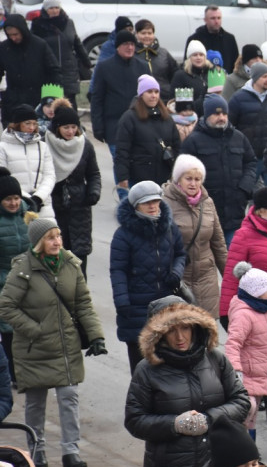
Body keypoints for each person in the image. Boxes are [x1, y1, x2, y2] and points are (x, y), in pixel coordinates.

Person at [124, 297, 250, 467]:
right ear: (159, 334)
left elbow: (241, 401)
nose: (179, 337)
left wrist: (210, 419)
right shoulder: (147, 370)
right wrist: (175, 424)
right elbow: (135, 419)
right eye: (171, 330)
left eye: (185, 327)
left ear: (195, 327)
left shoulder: (215, 360)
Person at [0, 216, 104, 467]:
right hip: (34, 347)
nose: (57, 241)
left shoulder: (70, 264)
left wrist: (96, 336)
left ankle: (71, 451)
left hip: (65, 344)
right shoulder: (23, 268)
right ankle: (37, 450)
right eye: (50, 237)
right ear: (38, 242)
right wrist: (33, 329)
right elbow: (6, 305)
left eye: (58, 236)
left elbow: (83, 304)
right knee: (36, 402)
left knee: (69, 397)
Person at [110, 181, 187, 374]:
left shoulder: (169, 228)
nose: (153, 206)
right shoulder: (123, 235)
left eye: (155, 201)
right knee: (141, 367)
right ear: (136, 205)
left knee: (168, 364)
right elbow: (118, 270)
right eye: (147, 203)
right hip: (136, 306)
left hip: (166, 304)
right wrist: (122, 301)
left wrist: (176, 273)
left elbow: (181, 254)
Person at [181, 94, 258, 244]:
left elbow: (251, 162)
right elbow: (183, 172)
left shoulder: (238, 137)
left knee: (232, 260)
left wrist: (244, 188)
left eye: (224, 113)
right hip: (204, 213)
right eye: (216, 114)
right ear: (207, 115)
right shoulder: (193, 141)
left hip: (234, 212)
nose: (221, 117)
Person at [160, 155, 226, 320]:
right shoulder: (165, 203)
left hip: (206, 277)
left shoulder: (207, 203)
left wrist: (229, 277)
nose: (193, 183)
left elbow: (218, 243)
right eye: (188, 178)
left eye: (198, 179)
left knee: (206, 329)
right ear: (178, 179)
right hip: (179, 277)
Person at [219, 187, 267, 325]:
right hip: (260, 304)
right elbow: (231, 278)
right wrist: (226, 313)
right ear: (260, 210)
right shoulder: (243, 235)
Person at [91, 27, 148, 200]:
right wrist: (98, 126)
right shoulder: (104, 67)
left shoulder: (143, 66)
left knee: (137, 162)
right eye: (125, 44)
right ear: (117, 46)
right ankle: (125, 199)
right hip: (113, 125)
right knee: (121, 162)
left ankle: (138, 198)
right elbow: (97, 98)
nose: (130, 47)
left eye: (132, 44)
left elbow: (150, 95)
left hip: (140, 124)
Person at [45, 101, 99, 277]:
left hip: (80, 207)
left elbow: (93, 173)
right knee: (56, 251)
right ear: (58, 127)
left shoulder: (84, 145)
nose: (70, 131)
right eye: (66, 127)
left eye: (73, 127)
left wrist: (93, 192)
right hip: (54, 204)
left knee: (79, 254)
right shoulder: (46, 144)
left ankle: (80, 296)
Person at [225, 262, 267, 439]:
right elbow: (233, 343)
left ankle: (250, 448)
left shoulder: (265, 311)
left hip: (260, 372)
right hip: (246, 373)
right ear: (255, 291)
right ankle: (240, 443)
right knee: (249, 407)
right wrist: (236, 370)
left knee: (252, 416)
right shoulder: (244, 315)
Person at [114, 74, 181, 191]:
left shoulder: (167, 118)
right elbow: (122, 150)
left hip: (164, 178)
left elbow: (177, 145)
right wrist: (122, 176)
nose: (154, 95)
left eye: (156, 92)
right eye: (149, 92)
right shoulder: (129, 118)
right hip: (139, 179)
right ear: (141, 94)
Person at [228, 61, 267, 185]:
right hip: (248, 157)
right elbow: (230, 126)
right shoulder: (238, 99)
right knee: (246, 191)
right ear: (255, 78)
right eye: (264, 76)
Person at [0, 14, 60, 125]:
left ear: (23, 30)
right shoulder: (4, 48)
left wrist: (50, 100)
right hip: (13, 101)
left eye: (16, 34)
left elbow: (54, 72)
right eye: (10, 35)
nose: (13, 38)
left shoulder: (40, 45)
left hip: (37, 100)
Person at [30, 0, 89, 109]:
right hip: (49, 71)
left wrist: (86, 62)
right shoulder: (39, 25)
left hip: (69, 70)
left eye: (57, 7)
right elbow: (34, 46)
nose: (54, 10)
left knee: (70, 104)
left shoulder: (68, 22)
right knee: (52, 104)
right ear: (45, 10)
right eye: (51, 8)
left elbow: (76, 42)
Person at [0, 168, 30, 383]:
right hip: (3, 280)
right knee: (9, 328)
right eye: (8, 199)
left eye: (16, 198)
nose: (13, 203)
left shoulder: (28, 216)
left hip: (27, 279)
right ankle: (13, 373)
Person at [0, 104, 55, 216]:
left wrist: (39, 197)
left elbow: (50, 176)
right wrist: (27, 198)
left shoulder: (43, 147)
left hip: (43, 205)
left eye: (34, 124)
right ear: (17, 124)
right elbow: (4, 178)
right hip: (16, 204)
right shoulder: (3, 147)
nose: (31, 128)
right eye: (27, 123)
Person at [132, 19, 178, 103]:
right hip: (140, 100)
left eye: (150, 33)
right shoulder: (132, 54)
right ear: (136, 34)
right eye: (143, 33)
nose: (147, 36)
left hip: (164, 98)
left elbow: (175, 74)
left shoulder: (163, 53)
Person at [184, 6, 239, 73]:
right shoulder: (194, 39)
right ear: (205, 20)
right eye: (213, 18)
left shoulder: (229, 39)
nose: (216, 21)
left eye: (219, 18)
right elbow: (187, 64)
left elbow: (236, 64)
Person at [171, 41, 212, 120]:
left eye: (201, 55)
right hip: (190, 118)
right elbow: (174, 101)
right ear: (189, 58)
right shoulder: (181, 76)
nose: (198, 57)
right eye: (195, 55)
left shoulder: (211, 74)